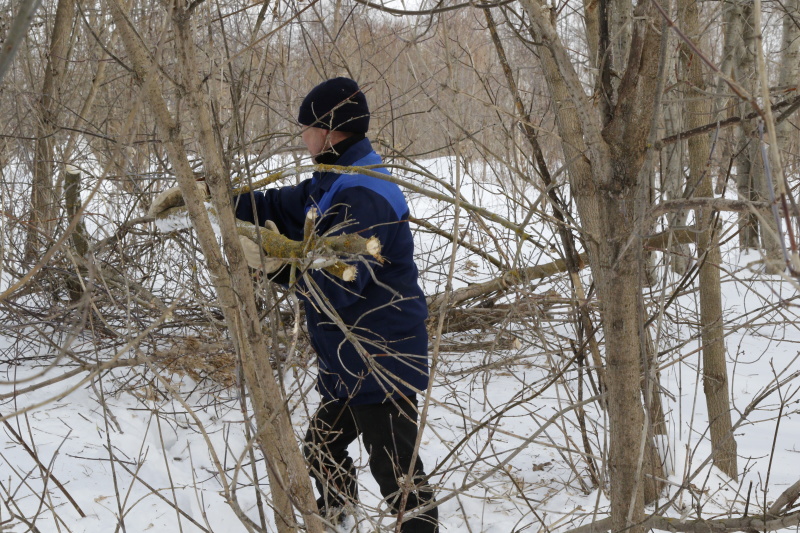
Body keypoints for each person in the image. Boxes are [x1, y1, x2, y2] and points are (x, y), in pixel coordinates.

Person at [234, 77, 438, 532]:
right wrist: (221, 203)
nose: (301, 136)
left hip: (378, 358)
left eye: (305, 127)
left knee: (399, 479)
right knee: (322, 449)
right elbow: (281, 206)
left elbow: (337, 283)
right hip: (350, 361)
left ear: (328, 131)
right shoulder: (334, 179)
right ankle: (337, 519)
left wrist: (271, 264)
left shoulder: (361, 194)